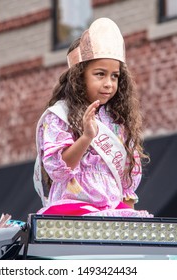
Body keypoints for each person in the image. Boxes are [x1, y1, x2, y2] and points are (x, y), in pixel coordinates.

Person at [33, 18, 152, 218]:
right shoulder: (60, 115)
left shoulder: (117, 120)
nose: (109, 83)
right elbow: (58, 171)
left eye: (115, 76)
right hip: (73, 207)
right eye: (100, 74)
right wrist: (86, 137)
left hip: (111, 209)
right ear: (79, 77)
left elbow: (126, 184)